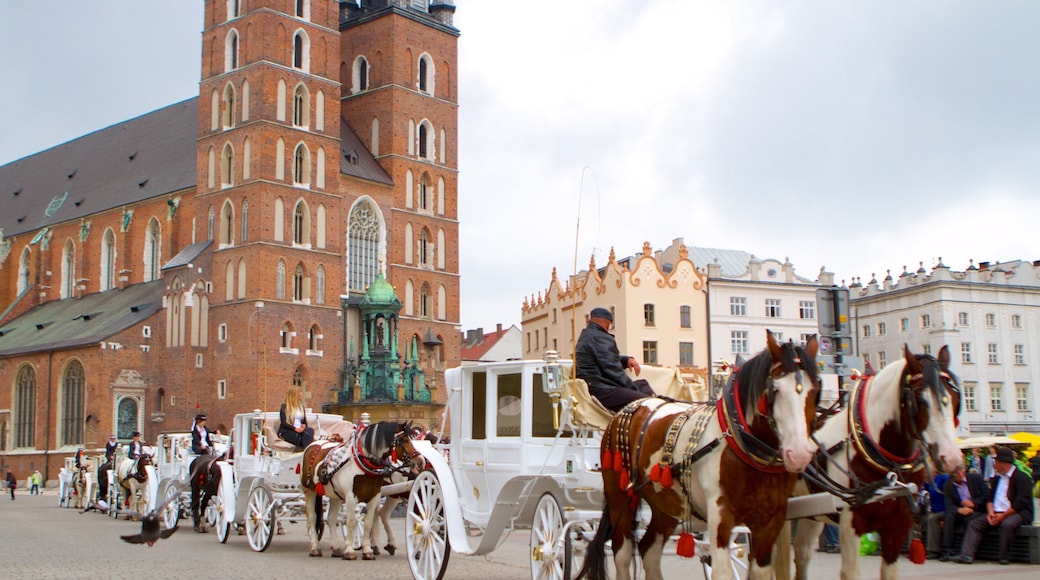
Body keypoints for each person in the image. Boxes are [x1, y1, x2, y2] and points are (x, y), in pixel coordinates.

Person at [952, 447, 1035, 565]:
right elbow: (990, 498)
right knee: (975, 523)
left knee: (1008, 524)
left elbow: (1020, 502)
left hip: (1016, 512)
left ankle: (1003, 556)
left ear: (1003, 464)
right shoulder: (997, 478)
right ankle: (967, 554)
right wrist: (991, 512)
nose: (994, 465)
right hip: (996, 511)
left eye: (996, 463)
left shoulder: (1022, 478)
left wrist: (1003, 516)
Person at [575, 307, 656, 412]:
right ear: (608, 324)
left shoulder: (587, 335)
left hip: (594, 385)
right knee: (646, 402)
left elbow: (604, 358)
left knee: (642, 384)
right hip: (601, 388)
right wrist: (635, 390)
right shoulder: (600, 337)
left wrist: (626, 360)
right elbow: (613, 369)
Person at [927, 466, 987, 561]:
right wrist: (959, 510)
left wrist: (974, 504)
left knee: (969, 519)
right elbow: (948, 504)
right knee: (948, 516)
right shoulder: (948, 485)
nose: (960, 474)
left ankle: (965, 551)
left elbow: (987, 496)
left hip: (977, 510)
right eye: (956, 473)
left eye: (961, 471)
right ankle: (947, 549)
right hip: (959, 510)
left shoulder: (976, 478)